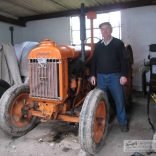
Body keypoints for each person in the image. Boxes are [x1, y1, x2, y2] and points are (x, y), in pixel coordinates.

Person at [90, 22, 129, 132]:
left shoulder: (118, 43)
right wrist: (93, 75)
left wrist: (123, 75)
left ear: (111, 30)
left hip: (115, 77)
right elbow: (94, 61)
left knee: (119, 101)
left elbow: (124, 61)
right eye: (102, 29)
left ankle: (123, 123)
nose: (104, 31)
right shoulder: (98, 46)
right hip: (101, 77)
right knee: (102, 102)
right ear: (101, 31)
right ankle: (104, 123)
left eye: (107, 29)